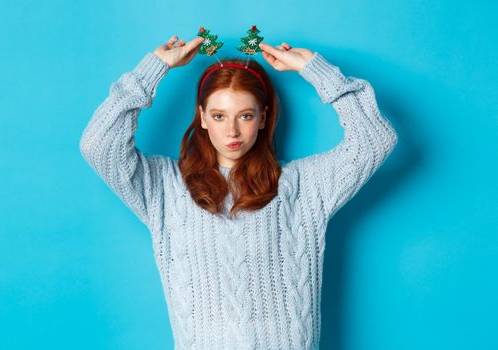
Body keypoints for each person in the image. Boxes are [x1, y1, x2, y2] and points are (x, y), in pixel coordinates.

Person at [79, 34, 398, 350]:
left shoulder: (303, 186)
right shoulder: (166, 186)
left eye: (245, 115)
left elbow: (374, 140)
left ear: (263, 117)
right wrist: (153, 68)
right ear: (202, 117)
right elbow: (99, 145)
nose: (232, 131)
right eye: (219, 116)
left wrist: (316, 69)